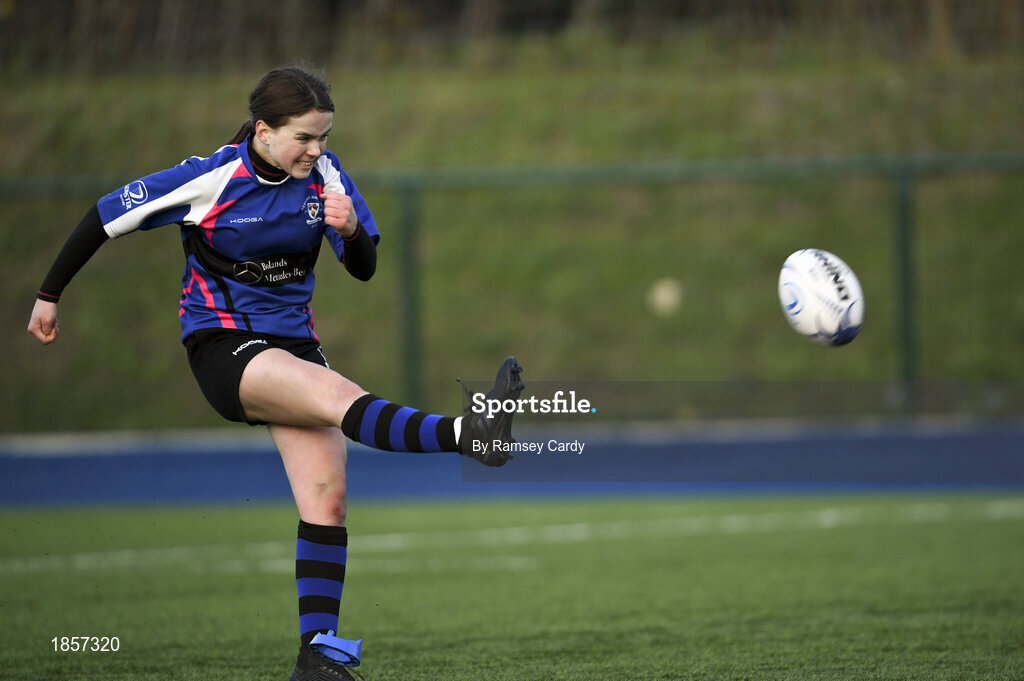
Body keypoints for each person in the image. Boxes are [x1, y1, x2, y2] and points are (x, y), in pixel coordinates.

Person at [26, 65, 524, 681]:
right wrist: (49, 294)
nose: (317, 151)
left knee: (328, 499)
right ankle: (471, 435)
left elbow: (363, 267)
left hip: (293, 346)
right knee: (340, 396)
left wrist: (348, 230)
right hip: (222, 344)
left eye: (324, 137)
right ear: (263, 131)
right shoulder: (211, 178)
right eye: (305, 138)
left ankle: (316, 659)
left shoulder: (327, 177)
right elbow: (104, 217)